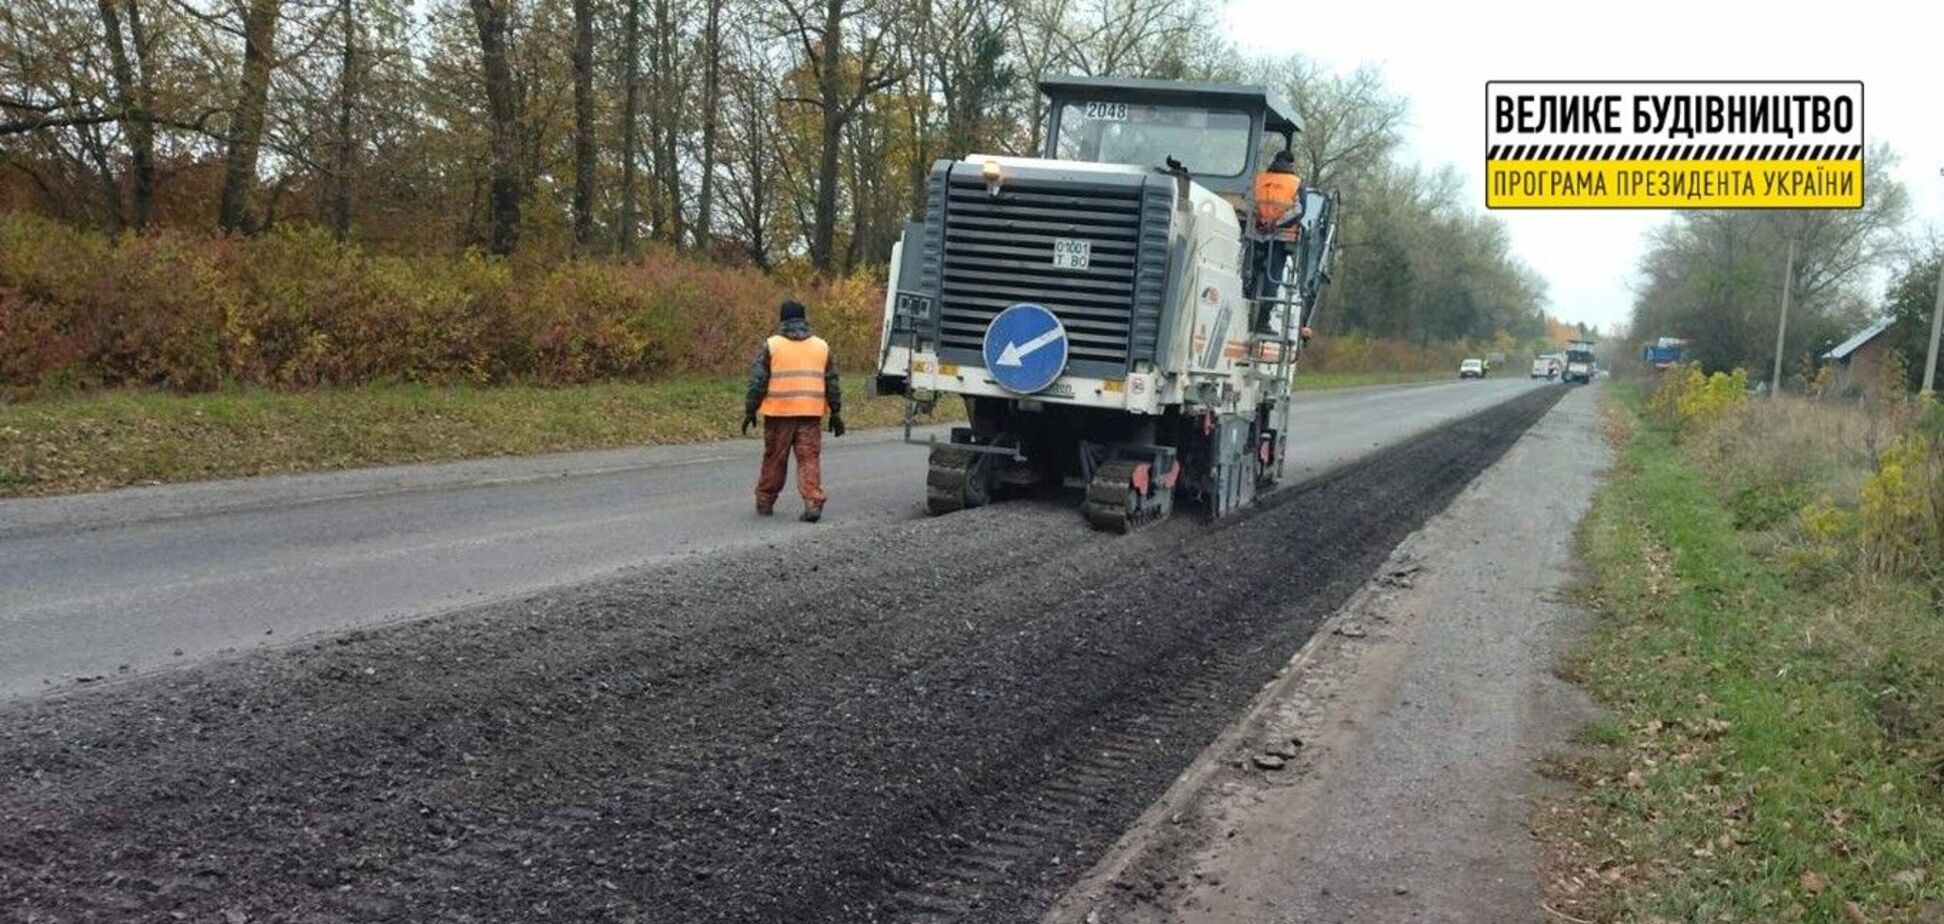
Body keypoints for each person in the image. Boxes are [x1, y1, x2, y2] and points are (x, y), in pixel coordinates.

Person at [744, 299, 843, 522]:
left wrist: (750, 410)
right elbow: (832, 382)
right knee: (809, 459)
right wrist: (836, 412)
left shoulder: (771, 345)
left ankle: (765, 502)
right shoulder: (821, 346)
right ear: (804, 318)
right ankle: (813, 503)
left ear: (782, 319)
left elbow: (757, 382)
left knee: (774, 459)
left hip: (779, 414)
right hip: (810, 414)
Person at [1251, 150, 1304, 330]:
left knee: (1252, 271)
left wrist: (1261, 221)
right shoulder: (1295, 183)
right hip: (1280, 239)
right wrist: (1276, 224)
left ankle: (1248, 304)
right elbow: (1298, 210)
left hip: (1257, 235)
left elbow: (1250, 202)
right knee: (1272, 278)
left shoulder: (1259, 179)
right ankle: (1262, 320)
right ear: (1291, 164)